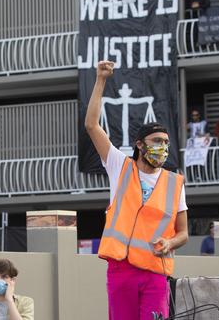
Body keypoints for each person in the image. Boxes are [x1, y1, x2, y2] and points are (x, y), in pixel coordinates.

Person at [85, 60, 188, 319]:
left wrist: (170, 242)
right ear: (140, 145)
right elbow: (92, 126)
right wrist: (101, 80)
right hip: (121, 269)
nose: (163, 147)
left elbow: (184, 232)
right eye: (157, 142)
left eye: (166, 142)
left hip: (156, 271)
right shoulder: (120, 166)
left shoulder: (175, 183)